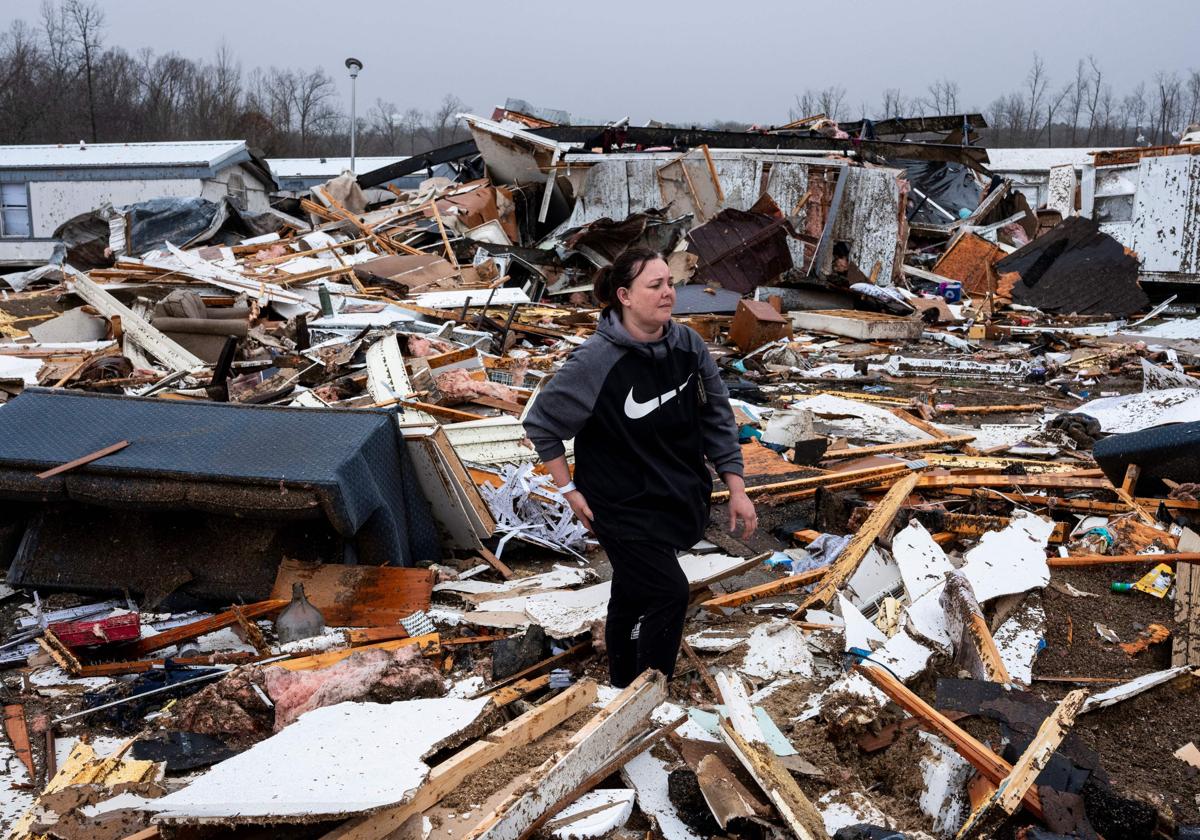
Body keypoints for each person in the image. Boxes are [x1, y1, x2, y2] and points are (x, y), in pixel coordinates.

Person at [522, 247, 757, 688]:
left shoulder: (688, 345)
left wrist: (737, 486)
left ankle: (620, 686)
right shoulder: (595, 361)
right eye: (656, 285)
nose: (669, 293)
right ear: (625, 295)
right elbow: (542, 425)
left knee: (630, 592)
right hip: (617, 503)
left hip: (672, 495)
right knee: (668, 592)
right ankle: (649, 695)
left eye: (670, 283)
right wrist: (569, 490)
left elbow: (717, 416)